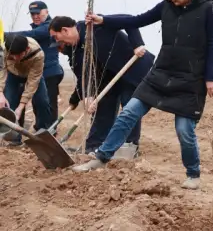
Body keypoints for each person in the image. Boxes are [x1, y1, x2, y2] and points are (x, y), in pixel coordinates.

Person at [72, 0, 213, 188]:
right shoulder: (166, 6)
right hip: (162, 72)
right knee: (128, 113)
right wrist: (103, 20)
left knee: (184, 130)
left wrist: (210, 77)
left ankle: (193, 174)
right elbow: (136, 20)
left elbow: (212, 42)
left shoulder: (207, 7)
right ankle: (101, 157)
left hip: (191, 78)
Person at [49, 15, 154, 153]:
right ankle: (94, 146)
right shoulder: (75, 50)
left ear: (65, 30)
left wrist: (137, 44)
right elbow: (83, 76)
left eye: (56, 37)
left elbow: (129, 20)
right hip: (108, 77)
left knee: (129, 109)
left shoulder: (94, 26)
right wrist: (84, 97)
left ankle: (129, 147)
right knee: (103, 107)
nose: (57, 42)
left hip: (132, 68)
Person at [10, 1, 64, 128]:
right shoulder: (37, 28)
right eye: (32, 14)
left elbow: (32, 35)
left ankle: (49, 131)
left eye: (38, 13)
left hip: (49, 72)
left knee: (47, 104)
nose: (35, 16)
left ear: (46, 11)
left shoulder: (50, 27)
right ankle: (35, 130)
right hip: (35, 73)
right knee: (36, 104)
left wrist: (5, 35)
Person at [0, 35, 53, 140]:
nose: (15, 59)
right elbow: (1, 71)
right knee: (9, 103)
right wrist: (0, 93)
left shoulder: (38, 54)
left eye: (18, 55)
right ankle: (14, 138)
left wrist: (21, 106)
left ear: (27, 49)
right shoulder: (4, 49)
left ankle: (42, 135)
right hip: (13, 74)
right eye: (12, 56)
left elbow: (33, 82)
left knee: (42, 102)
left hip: (32, 76)